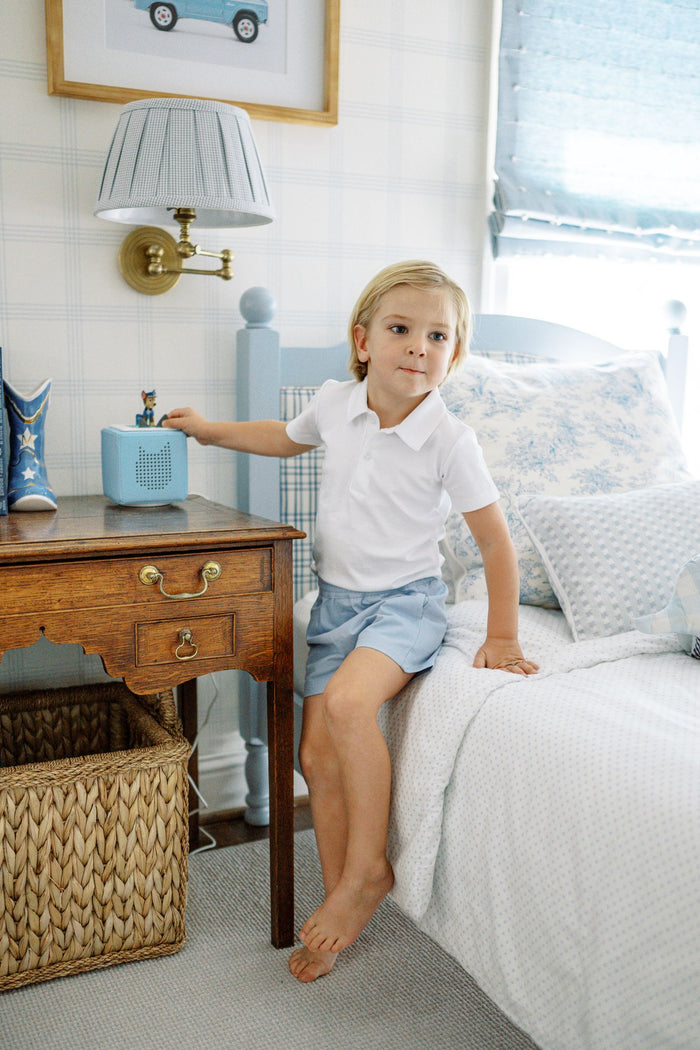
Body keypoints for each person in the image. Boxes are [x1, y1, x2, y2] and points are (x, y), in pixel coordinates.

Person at [163, 260, 539, 984]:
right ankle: (343, 896)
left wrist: (503, 636)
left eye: (438, 336)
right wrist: (210, 432)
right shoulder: (336, 403)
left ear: (454, 354)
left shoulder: (449, 439)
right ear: (363, 341)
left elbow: (496, 543)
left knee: (345, 706)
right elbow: (283, 437)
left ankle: (368, 872)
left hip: (406, 605)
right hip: (335, 605)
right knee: (315, 757)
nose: (418, 346)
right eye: (401, 328)